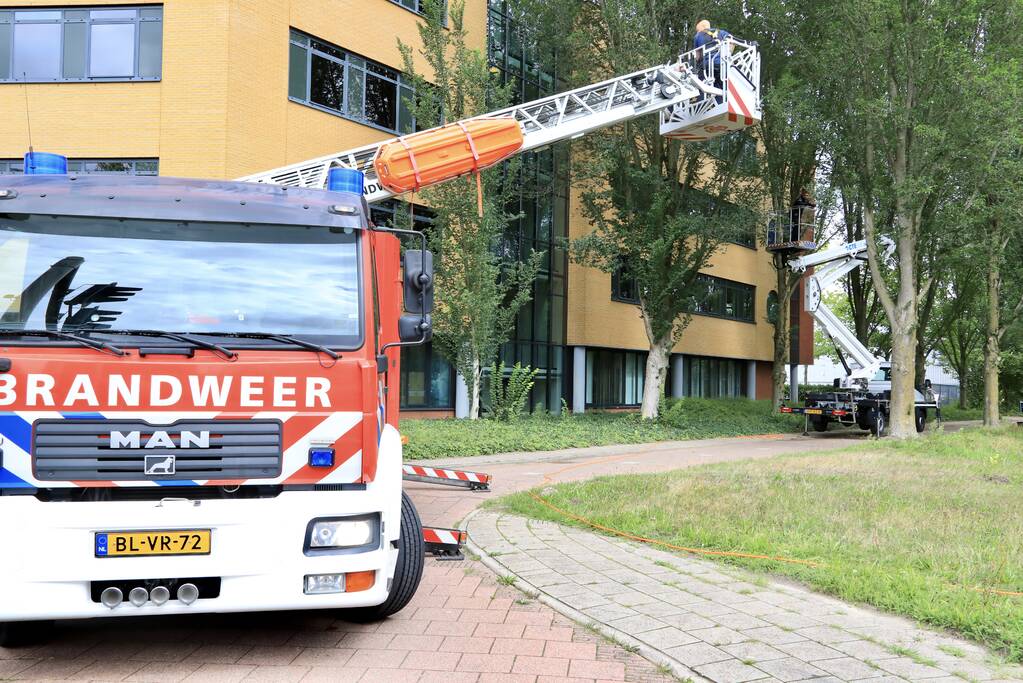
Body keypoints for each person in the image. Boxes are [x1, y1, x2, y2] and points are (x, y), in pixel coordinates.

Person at [693, 20, 732, 100]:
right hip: (722, 64)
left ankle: (702, 101)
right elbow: (732, 41)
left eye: (697, 30)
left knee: (701, 85)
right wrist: (727, 54)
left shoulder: (698, 36)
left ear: (702, 27)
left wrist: (694, 65)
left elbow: (697, 56)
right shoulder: (721, 32)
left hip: (707, 66)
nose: (697, 32)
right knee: (723, 84)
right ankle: (723, 100)